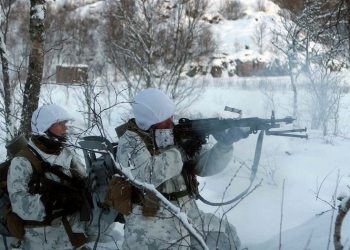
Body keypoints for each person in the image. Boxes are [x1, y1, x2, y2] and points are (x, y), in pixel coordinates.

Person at [116, 88, 249, 250]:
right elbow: (145, 176)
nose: (171, 120)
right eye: (165, 117)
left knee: (227, 236)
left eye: (170, 115)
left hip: (188, 213)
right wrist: (181, 152)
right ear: (150, 119)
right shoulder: (129, 142)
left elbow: (205, 167)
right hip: (149, 223)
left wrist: (225, 144)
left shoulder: (172, 132)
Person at [7, 104, 114, 250]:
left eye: (65, 123)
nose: (65, 128)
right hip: (44, 240)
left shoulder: (66, 152)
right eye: (59, 123)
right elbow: (19, 204)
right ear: (45, 126)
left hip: (74, 233)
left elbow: (85, 182)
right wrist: (53, 202)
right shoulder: (23, 161)